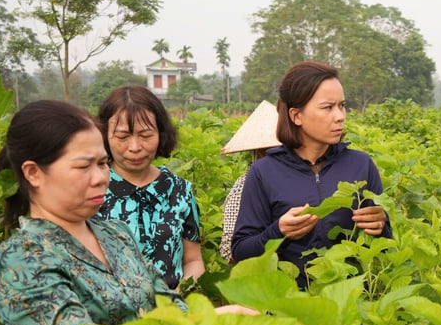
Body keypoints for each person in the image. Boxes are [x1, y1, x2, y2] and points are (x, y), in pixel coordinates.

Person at [0, 100, 185, 325]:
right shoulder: (23, 259)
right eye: (84, 167)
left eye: (103, 163)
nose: (100, 178)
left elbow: (168, 303)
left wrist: (212, 324)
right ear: (33, 173)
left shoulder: (115, 233)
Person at [231, 61, 390, 288]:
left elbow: (387, 245)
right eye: (328, 107)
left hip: (351, 306)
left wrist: (381, 225)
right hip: (289, 307)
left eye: (342, 105)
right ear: (296, 116)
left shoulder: (361, 165)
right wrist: (278, 231)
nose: (340, 116)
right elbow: (241, 252)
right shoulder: (263, 172)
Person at [96, 85, 204, 289]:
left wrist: (178, 298)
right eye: (122, 137)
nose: (135, 147)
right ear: (104, 136)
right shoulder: (92, 189)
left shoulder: (179, 191)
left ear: (160, 133)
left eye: (145, 135)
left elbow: (193, 261)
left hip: (174, 312)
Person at [219, 100, 280, 263]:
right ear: (257, 154)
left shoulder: (304, 176)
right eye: (268, 153)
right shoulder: (244, 185)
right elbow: (228, 250)